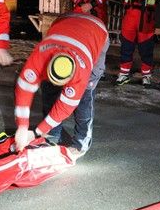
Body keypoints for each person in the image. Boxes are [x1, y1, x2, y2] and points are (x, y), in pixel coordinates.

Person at [13, 9, 109, 156]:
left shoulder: (82, 72)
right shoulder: (40, 56)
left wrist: (36, 132)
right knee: (49, 89)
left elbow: (64, 108)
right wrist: (22, 126)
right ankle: (52, 135)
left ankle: (81, 142)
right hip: (65, 21)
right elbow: (24, 89)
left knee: (84, 97)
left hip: (96, 30)